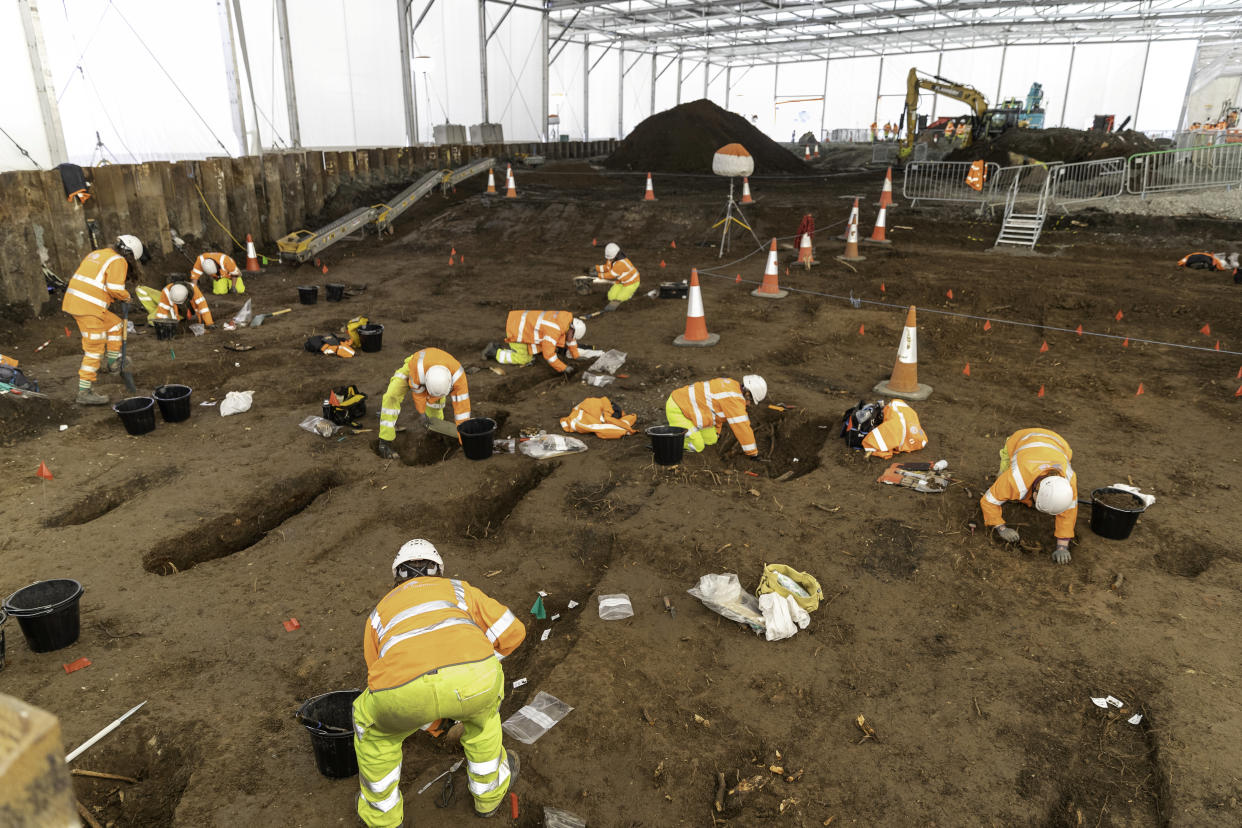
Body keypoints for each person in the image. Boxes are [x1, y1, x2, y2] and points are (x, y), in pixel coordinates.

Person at [353, 539, 524, 824]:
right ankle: (488, 799)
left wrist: (434, 725)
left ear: (397, 577)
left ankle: (382, 819)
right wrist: (481, 662)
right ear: (438, 571)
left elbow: (381, 681)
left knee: (374, 732)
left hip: (403, 694)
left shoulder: (379, 613)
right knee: (483, 724)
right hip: (476, 681)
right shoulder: (458, 589)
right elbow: (513, 632)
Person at [61, 234, 149, 405]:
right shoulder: (118, 261)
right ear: (131, 254)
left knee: (116, 324)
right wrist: (126, 297)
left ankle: (113, 361)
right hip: (88, 306)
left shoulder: (99, 254)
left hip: (78, 302)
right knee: (95, 347)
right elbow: (115, 288)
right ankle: (84, 391)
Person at [980, 428, 1078, 564]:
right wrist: (1001, 527)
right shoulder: (1016, 478)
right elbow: (989, 501)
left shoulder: (1068, 484)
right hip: (1021, 439)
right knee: (1001, 481)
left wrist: (1062, 546)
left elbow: (1068, 514)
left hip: (1059, 443)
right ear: (1035, 491)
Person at [377, 348, 471, 460]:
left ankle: (436, 435)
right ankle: (384, 441)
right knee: (392, 395)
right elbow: (418, 394)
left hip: (435, 375)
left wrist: (465, 439)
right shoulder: (418, 371)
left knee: (436, 406)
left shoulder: (459, 377)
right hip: (413, 367)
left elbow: (463, 412)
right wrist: (422, 412)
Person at [665, 375, 767, 457]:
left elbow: (716, 411)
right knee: (697, 446)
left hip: (690, 409)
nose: (749, 404)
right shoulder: (734, 401)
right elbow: (743, 428)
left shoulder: (732, 385)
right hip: (678, 408)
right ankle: (668, 441)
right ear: (748, 393)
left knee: (711, 439)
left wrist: (717, 432)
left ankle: (689, 433)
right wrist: (753, 453)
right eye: (751, 401)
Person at [483, 311, 584, 375]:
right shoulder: (554, 331)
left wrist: (576, 355)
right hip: (518, 330)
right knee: (524, 359)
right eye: (573, 336)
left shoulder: (565, 320)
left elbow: (570, 340)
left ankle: (499, 349)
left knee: (546, 347)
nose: (572, 339)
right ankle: (494, 352)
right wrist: (564, 368)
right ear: (572, 329)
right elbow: (549, 356)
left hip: (521, 323)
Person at [590, 243, 641, 311]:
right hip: (621, 282)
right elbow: (607, 267)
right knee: (611, 297)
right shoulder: (611, 259)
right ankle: (624, 295)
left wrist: (598, 275)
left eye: (611, 258)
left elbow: (611, 275)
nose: (609, 260)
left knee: (620, 299)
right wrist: (596, 268)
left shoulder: (621, 263)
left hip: (631, 282)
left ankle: (630, 294)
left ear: (617, 255)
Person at [559, 396, 636, 439]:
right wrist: (627, 431)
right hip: (579, 416)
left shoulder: (603, 403)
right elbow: (603, 430)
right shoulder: (605, 413)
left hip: (579, 413)